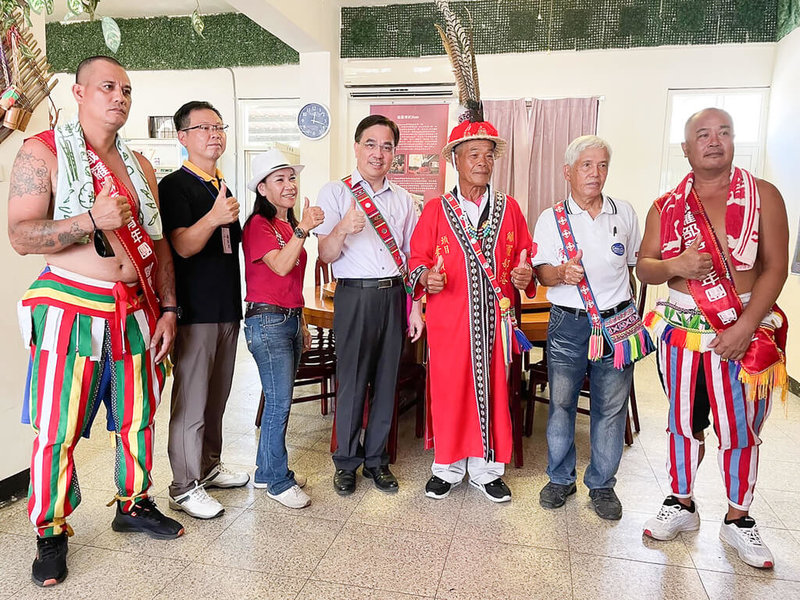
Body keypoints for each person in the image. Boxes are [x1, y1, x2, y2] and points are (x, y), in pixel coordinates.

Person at [7, 56, 183, 588]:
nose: (119, 97)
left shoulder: (139, 165)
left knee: (137, 417)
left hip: (135, 305)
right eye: (107, 87)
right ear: (80, 93)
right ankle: (51, 533)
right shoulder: (44, 151)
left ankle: (133, 503)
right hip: (68, 304)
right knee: (56, 429)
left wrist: (170, 308)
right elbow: (20, 236)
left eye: (127, 89)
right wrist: (90, 219)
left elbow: (156, 243)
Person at [637, 108, 789, 569]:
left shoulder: (764, 196)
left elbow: (775, 267)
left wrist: (745, 327)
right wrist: (676, 266)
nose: (713, 141)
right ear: (686, 148)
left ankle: (739, 519)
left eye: (723, 132)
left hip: (743, 326)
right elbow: (645, 266)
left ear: (734, 141)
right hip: (682, 333)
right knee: (683, 422)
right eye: (702, 134)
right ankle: (681, 504)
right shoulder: (666, 207)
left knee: (741, 431)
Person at [408, 116, 535, 503]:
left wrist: (523, 273)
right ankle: (446, 467)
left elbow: (525, 260)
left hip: (495, 322)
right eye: (473, 153)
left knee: (494, 390)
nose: (483, 161)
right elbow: (416, 260)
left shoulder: (509, 208)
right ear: (456, 161)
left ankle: (487, 469)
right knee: (449, 389)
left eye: (489, 154)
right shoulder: (435, 210)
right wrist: (426, 279)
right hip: (449, 320)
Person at [531, 135, 649, 520]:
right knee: (562, 404)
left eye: (601, 166)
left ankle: (601, 485)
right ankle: (560, 478)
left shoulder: (624, 212)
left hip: (617, 324)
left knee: (611, 409)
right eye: (586, 165)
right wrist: (563, 272)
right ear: (568, 172)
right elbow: (542, 274)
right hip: (568, 324)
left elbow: (633, 267)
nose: (595, 174)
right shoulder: (552, 218)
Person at [315, 115, 423, 496]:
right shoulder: (335, 192)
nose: (379, 153)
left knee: (387, 381)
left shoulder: (405, 200)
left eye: (387, 146)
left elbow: (412, 259)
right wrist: (342, 227)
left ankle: (377, 460)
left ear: (395, 152)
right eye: (371, 144)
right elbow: (325, 254)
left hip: (394, 295)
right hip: (354, 295)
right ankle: (346, 461)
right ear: (357, 147)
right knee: (353, 381)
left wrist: (415, 307)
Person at [158, 101, 248, 520]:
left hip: (227, 308)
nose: (214, 134)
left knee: (217, 398)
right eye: (204, 127)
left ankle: (209, 467)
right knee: (191, 403)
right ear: (182, 137)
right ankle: (183, 485)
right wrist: (213, 218)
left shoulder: (220, 184)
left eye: (219, 127)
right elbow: (180, 245)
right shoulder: (176, 185)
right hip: (195, 312)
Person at [241, 149, 324, 508]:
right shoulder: (258, 226)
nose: (289, 185)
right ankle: (278, 480)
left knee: (279, 401)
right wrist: (304, 228)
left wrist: (302, 321)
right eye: (280, 179)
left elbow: (292, 282)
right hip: (267, 320)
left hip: (288, 318)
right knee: (278, 404)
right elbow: (279, 266)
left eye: (292, 178)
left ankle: (265, 470)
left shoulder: (287, 226)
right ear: (262, 188)